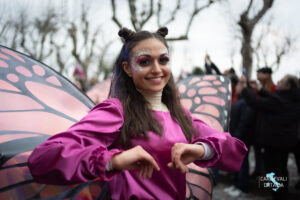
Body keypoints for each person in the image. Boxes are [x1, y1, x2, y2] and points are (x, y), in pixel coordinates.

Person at [28, 27, 247, 200]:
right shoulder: (116, 111)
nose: (157, 69)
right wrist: (114, 160)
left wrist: (201, 150)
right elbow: (43, 159)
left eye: (163, 60)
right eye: (144, 61)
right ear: (127, 68)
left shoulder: (180, 115)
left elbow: (234, 151)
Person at [241, 74, 300, 200]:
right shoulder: (293, 98)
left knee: (272, 172)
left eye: (281, 81)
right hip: (285, 143)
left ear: (287, 86)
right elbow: (274, 98)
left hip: (273, 144)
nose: (278, 81)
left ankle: (277, 195)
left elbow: (255, 103)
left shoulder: (278, 101)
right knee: (282, 169)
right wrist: (260, 90)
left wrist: (245, 88)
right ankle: (282, 193)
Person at [224, 78, 256, 197]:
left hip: (243, 138)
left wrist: (237, 136)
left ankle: (242, 186)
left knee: (243, 163)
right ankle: (236, 183)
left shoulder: (247, 102)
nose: (236, 87)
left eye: (238, 85)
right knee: (237, 162)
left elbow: (245, 121)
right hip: (236, 136)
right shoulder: (239, 100)